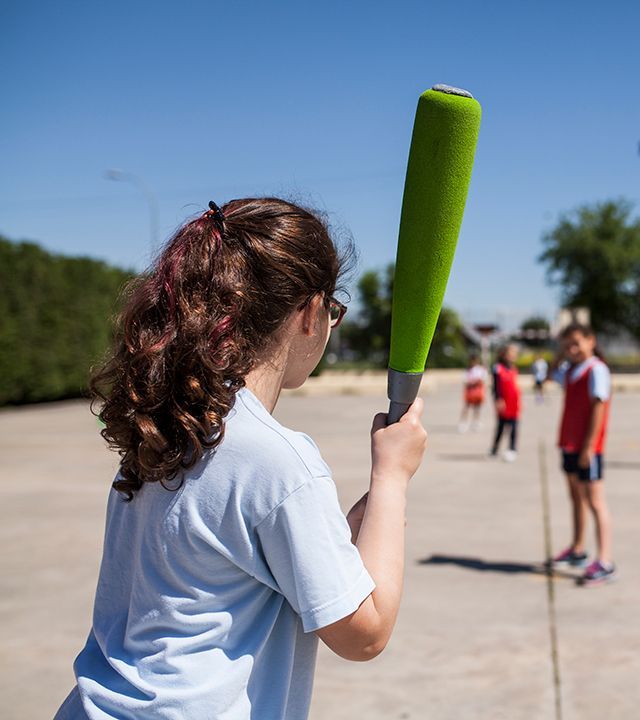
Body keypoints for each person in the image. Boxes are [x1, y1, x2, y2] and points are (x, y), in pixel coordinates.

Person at [55, 199, 428, 720]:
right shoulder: (276, 459)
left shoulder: (167, 429)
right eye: (334, 312)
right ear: (309, 312)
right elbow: (363, 634)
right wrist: (392, 478)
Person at [547, 323, 616, 586]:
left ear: (591, 340)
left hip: (588, 448)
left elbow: (598, 408)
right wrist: (560, 355)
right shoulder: (572, 369)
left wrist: (589, 446)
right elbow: (552, 375)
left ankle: (605, 561)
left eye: (576, 343)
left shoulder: (597, 370)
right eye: (566, 346)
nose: (572, 349)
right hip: (569, 444)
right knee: (575, 497)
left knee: (595, 501)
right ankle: (577, 549)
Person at [490, 343, 521, 462]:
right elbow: (496, 386)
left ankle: (512, 449)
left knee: (514, 427)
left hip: (514, 402)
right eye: (511, 353)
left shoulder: (513, 368)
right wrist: (498, 399)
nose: (513, 356)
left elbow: (515, 386)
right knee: (501, 426)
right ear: (504, 354)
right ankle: (494, 448)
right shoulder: (498, 368)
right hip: (504, 402)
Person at [459, 354, 486, 432]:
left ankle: (476, 422)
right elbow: (465, 381)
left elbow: (483, 379)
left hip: (477, 391)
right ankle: (463, 423)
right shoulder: (467, 370)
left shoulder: (480, 369)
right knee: (466, 407)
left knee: (477, 408)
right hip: (470, 391)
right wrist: (473, 382)